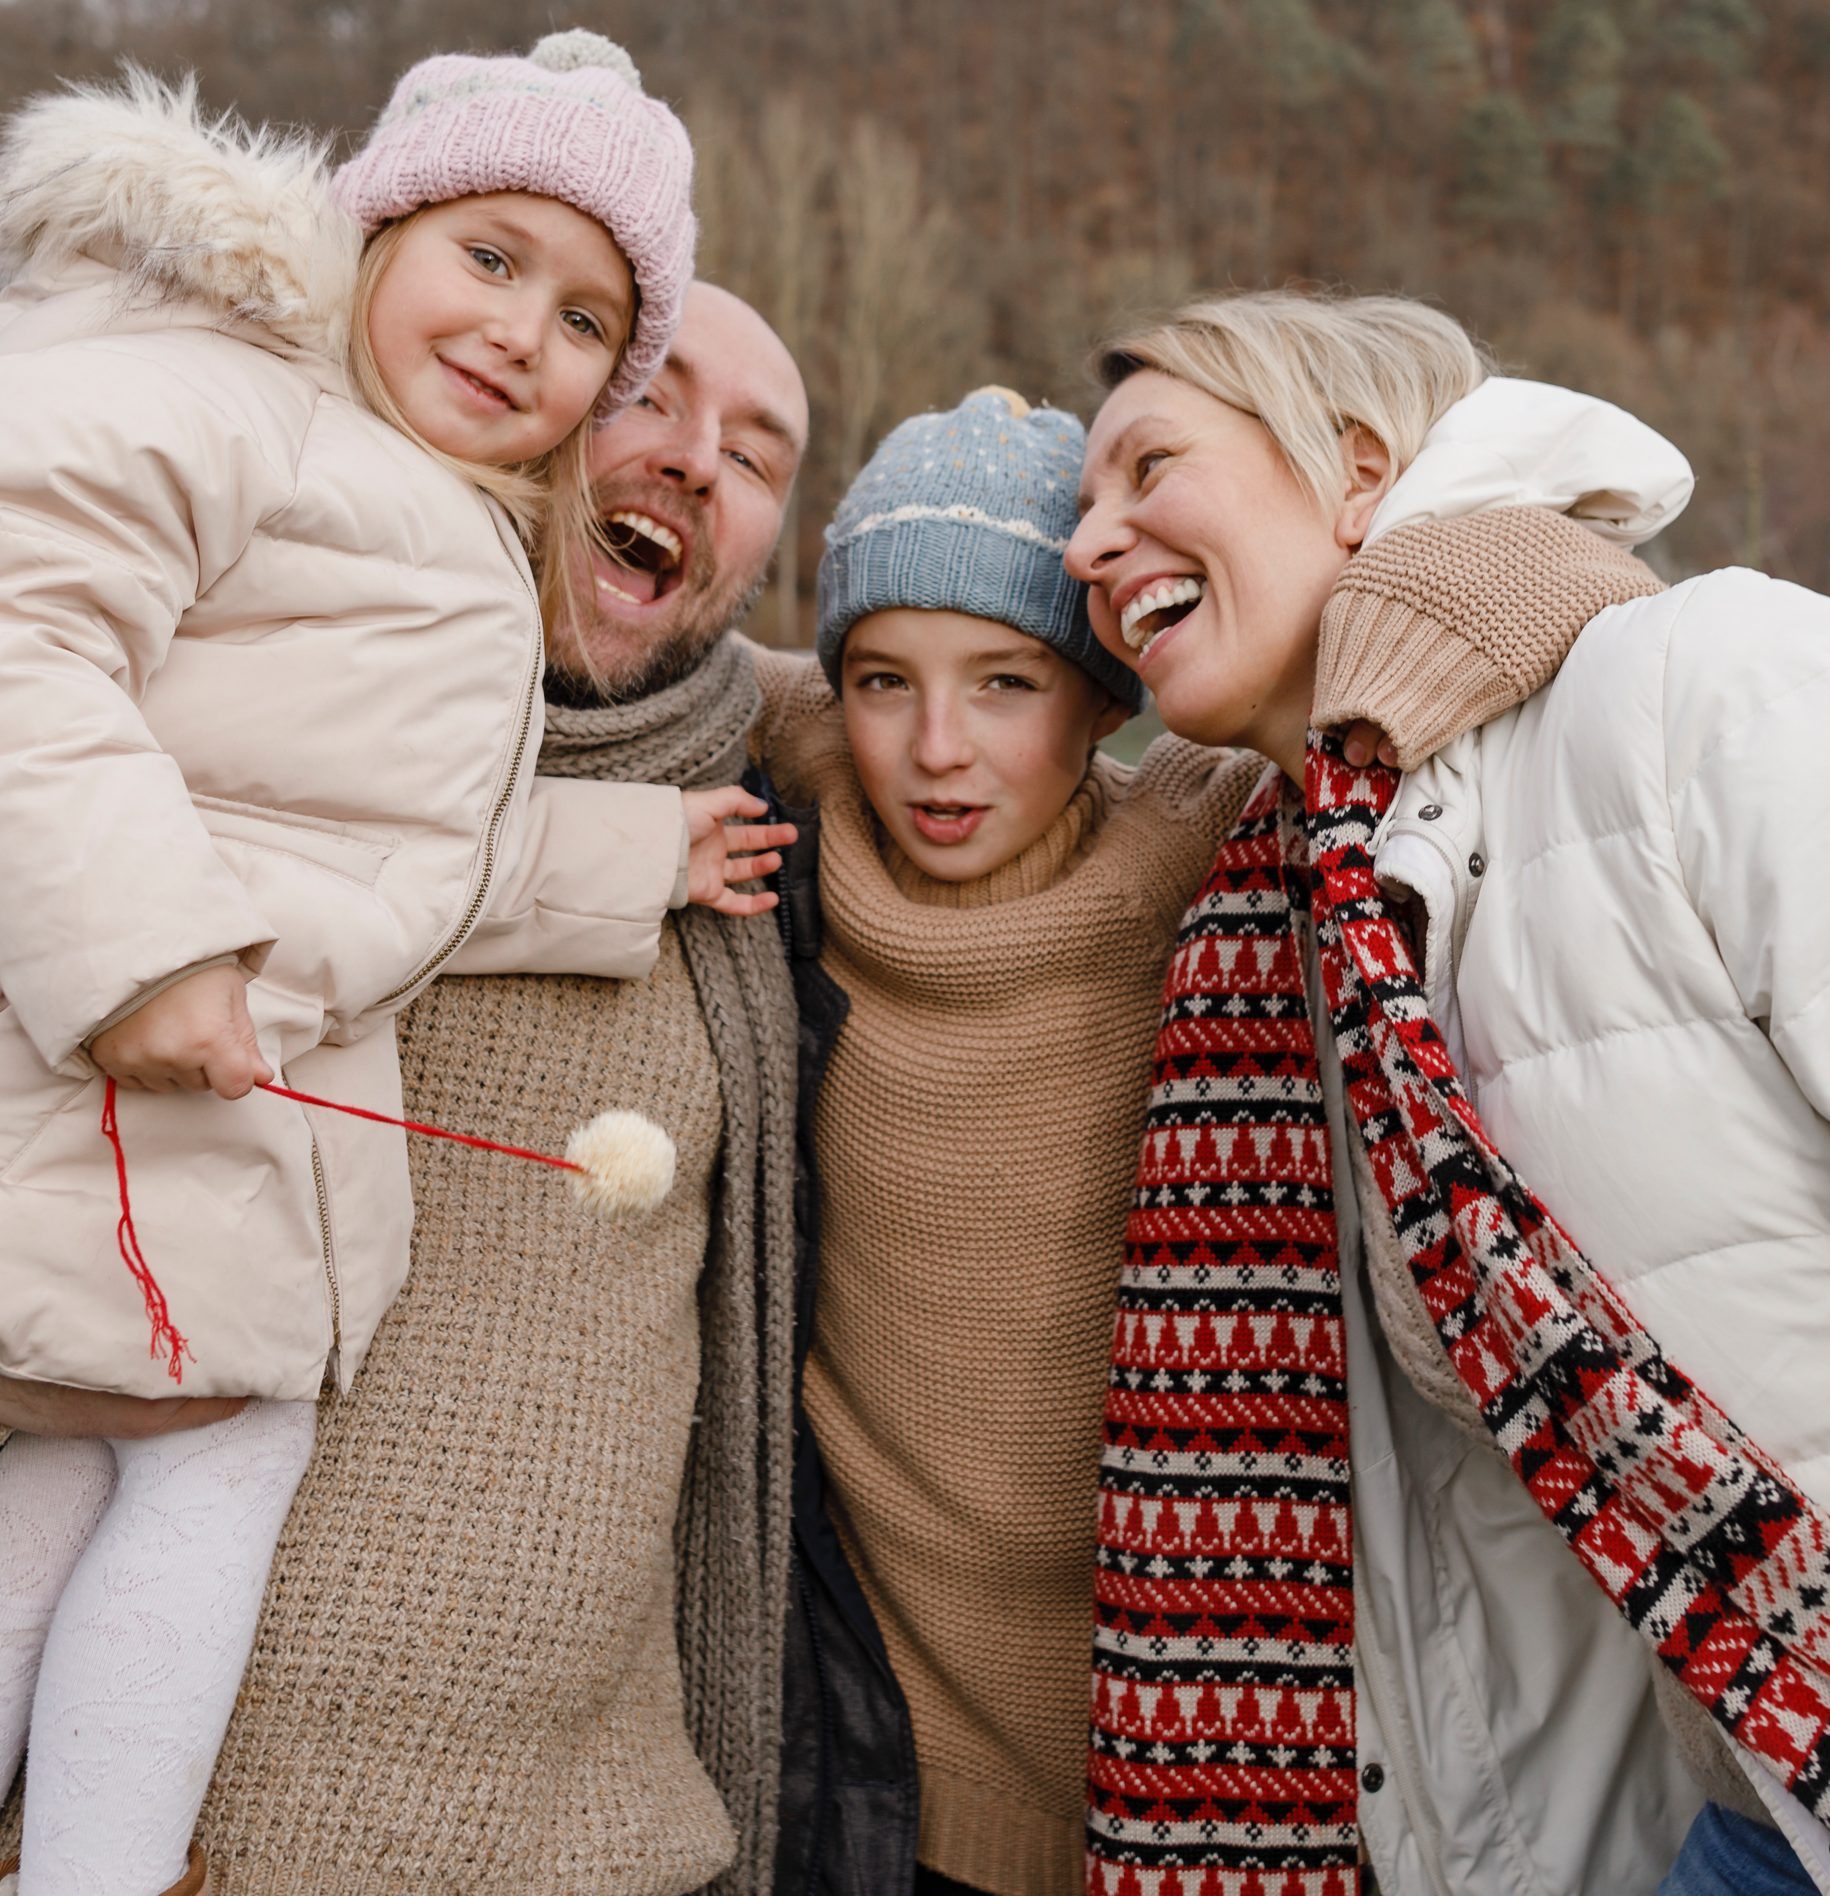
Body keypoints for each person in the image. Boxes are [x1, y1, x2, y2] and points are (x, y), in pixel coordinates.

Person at [0, 38, 793, 1896]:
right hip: (74, 1077)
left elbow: (374, 846)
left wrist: (626, 853)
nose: (528, 335)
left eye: (592, 317)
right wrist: (136, 950)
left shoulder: (412, 506)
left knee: (12, 1571)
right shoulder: (225, 403)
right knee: (221, 1467)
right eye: (489, 258)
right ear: (368, 228)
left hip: (114, 1100)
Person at [746, 382, 1645, 1896]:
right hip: (895, 1771)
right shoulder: (802, 823)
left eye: (1009, 683)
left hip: (1220, 1719)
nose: (937, 748)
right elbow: (615, 639)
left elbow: (1420, 650)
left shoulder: (1206, 837)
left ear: (1108, 695)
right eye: (885, 681)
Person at [1067, 291, 1830, 1896]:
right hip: (1741, 1812)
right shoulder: (1304, 902)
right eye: (1080, 512)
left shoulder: (1700, 680)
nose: (1092, 544)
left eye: (1149, 466)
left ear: (1356, 464)